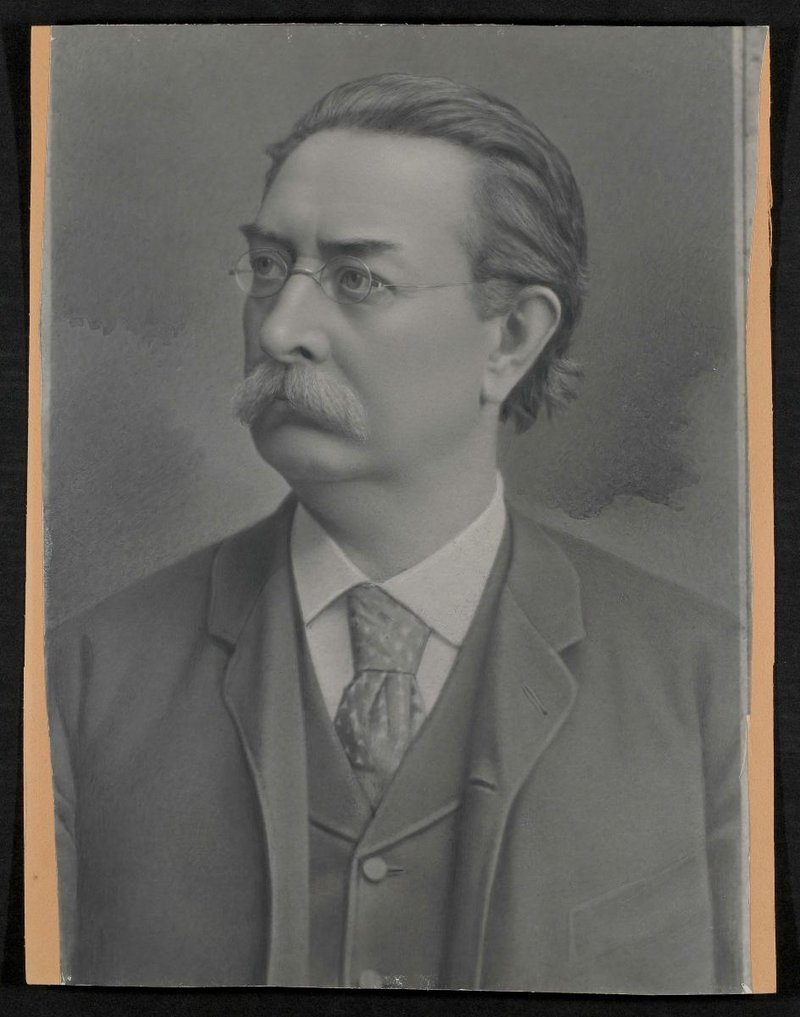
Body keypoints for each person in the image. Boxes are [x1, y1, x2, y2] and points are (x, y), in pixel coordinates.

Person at [46, 73, 746, 992]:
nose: (281, 329)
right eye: (268, 267)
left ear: (511, 338)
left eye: (358, 279)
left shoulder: (713, 689)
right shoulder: (81, 681)